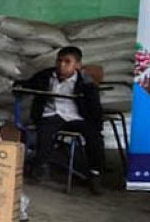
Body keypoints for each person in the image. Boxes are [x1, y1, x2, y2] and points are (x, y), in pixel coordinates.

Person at [16, 46, 104, 194]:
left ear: (77, 65)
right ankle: (40, 166)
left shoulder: (86, 83)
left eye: (67, 62)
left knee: (94, 136)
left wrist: (96, 125)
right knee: (44, 133)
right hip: (52, 115)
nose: (62, 65)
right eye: (59, 61)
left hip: (75, 117)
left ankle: (95, 173)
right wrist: (18, 87)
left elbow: (95, 108)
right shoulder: (46, 76)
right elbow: (27, 84)